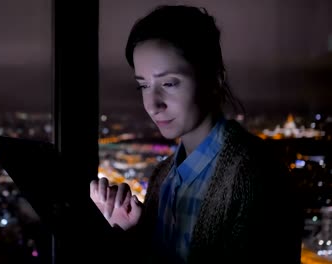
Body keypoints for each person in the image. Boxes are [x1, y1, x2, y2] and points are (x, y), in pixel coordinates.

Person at [90, 5, 303, 264]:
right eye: (143, 85)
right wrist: (129, 231)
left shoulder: (257, 176)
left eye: (169, 83)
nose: (153, 104)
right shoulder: (162, 177)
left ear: (215, 79)